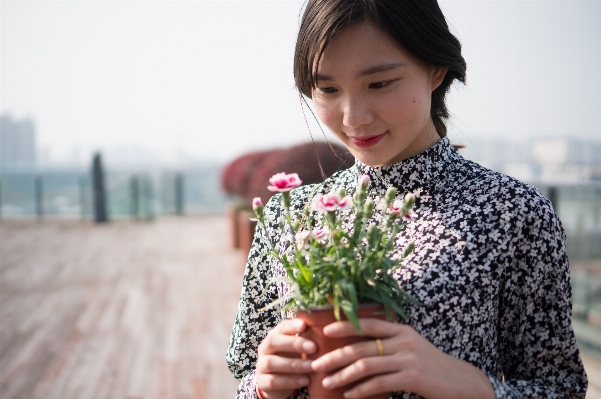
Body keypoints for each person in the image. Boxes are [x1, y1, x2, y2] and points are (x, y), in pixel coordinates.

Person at [226, 0, 588, 398]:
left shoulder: (514, 213)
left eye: (379, 84)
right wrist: (262, 388)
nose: (353, 116)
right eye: (328, 89)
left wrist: (473, 387)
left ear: (435, 69)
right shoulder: (287, 217)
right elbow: (245, 367)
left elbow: (560, 387)